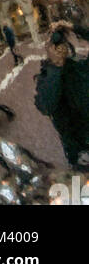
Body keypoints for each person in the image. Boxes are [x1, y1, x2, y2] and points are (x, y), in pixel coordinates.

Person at [34, 23, 89, 167]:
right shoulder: (47, 76)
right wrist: (56, 65)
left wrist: (74, 27)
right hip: (80, 150)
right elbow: (45, 106)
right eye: (54, 44)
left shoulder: (81, 67)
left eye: (62, 41)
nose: (59, 46)